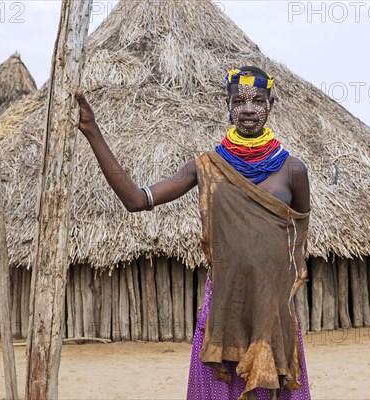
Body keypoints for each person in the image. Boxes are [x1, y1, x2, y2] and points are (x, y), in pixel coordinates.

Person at [76, 66, 311, 400]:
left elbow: (297, 238)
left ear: (271, 103)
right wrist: (91, 130)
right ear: (226, 104)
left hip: (272, 313)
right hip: (222, 312)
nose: (247, 109)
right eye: (238, 101)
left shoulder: (293, 170)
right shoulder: (206, 166)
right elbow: (136, 199)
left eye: (257, 101)